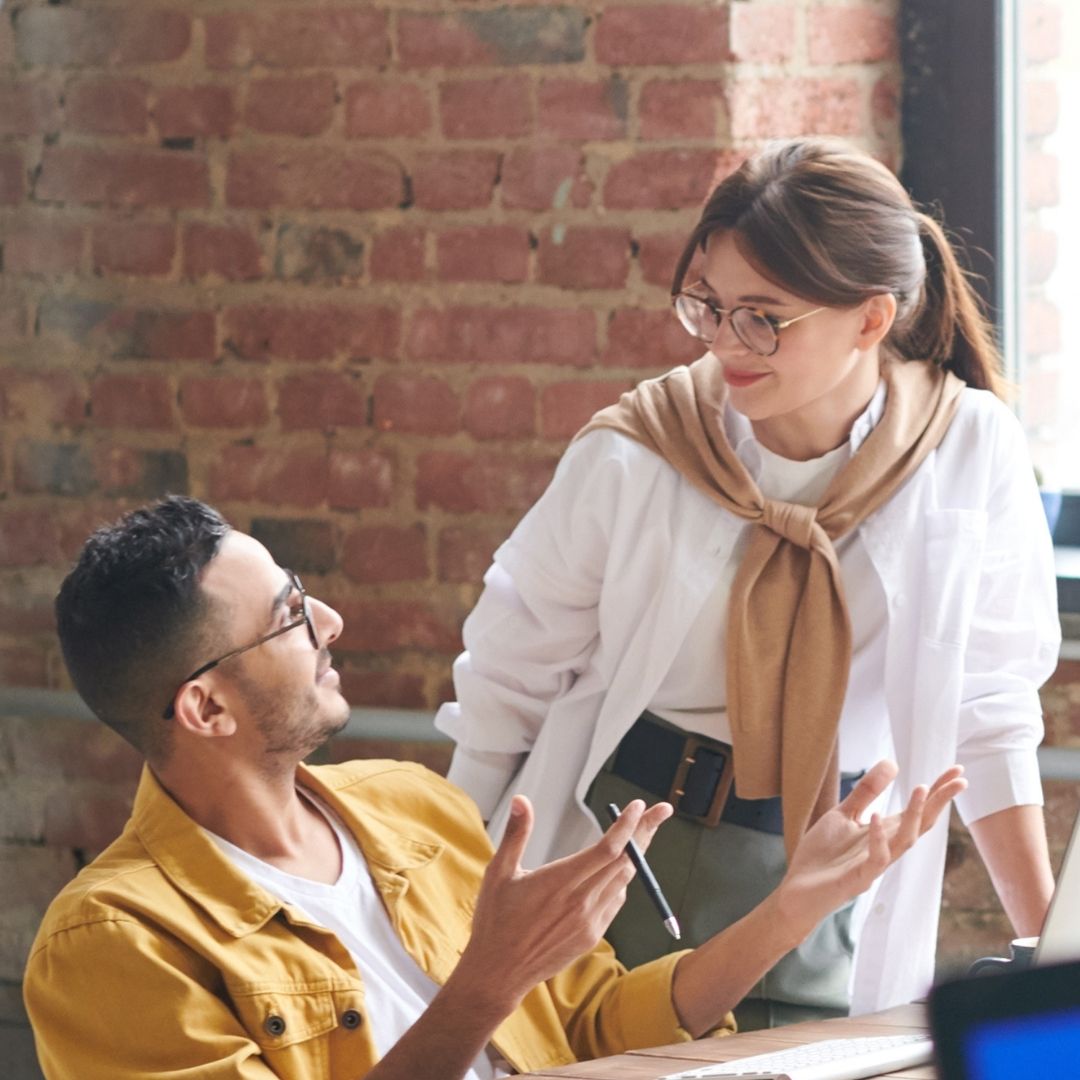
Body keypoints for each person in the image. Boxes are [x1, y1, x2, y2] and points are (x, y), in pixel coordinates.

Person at [435, 137, 1061, 1025]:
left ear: (872, 319)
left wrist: (1053, 960)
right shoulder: (640, 449)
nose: (729, 342)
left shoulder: (968, 450)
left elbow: (990, 708)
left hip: (821, 868)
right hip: (616, 849)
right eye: (709, 306)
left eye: (764, 316)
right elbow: (506, 684)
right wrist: (438, 910)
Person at [23, 496, 965, 1080]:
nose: (331, 622)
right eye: (289, 618)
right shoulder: (114, 944)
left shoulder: (412, 808)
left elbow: (599, 1027)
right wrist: (489, 980)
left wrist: (796, 907)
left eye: (303, 591)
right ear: (205, 708)